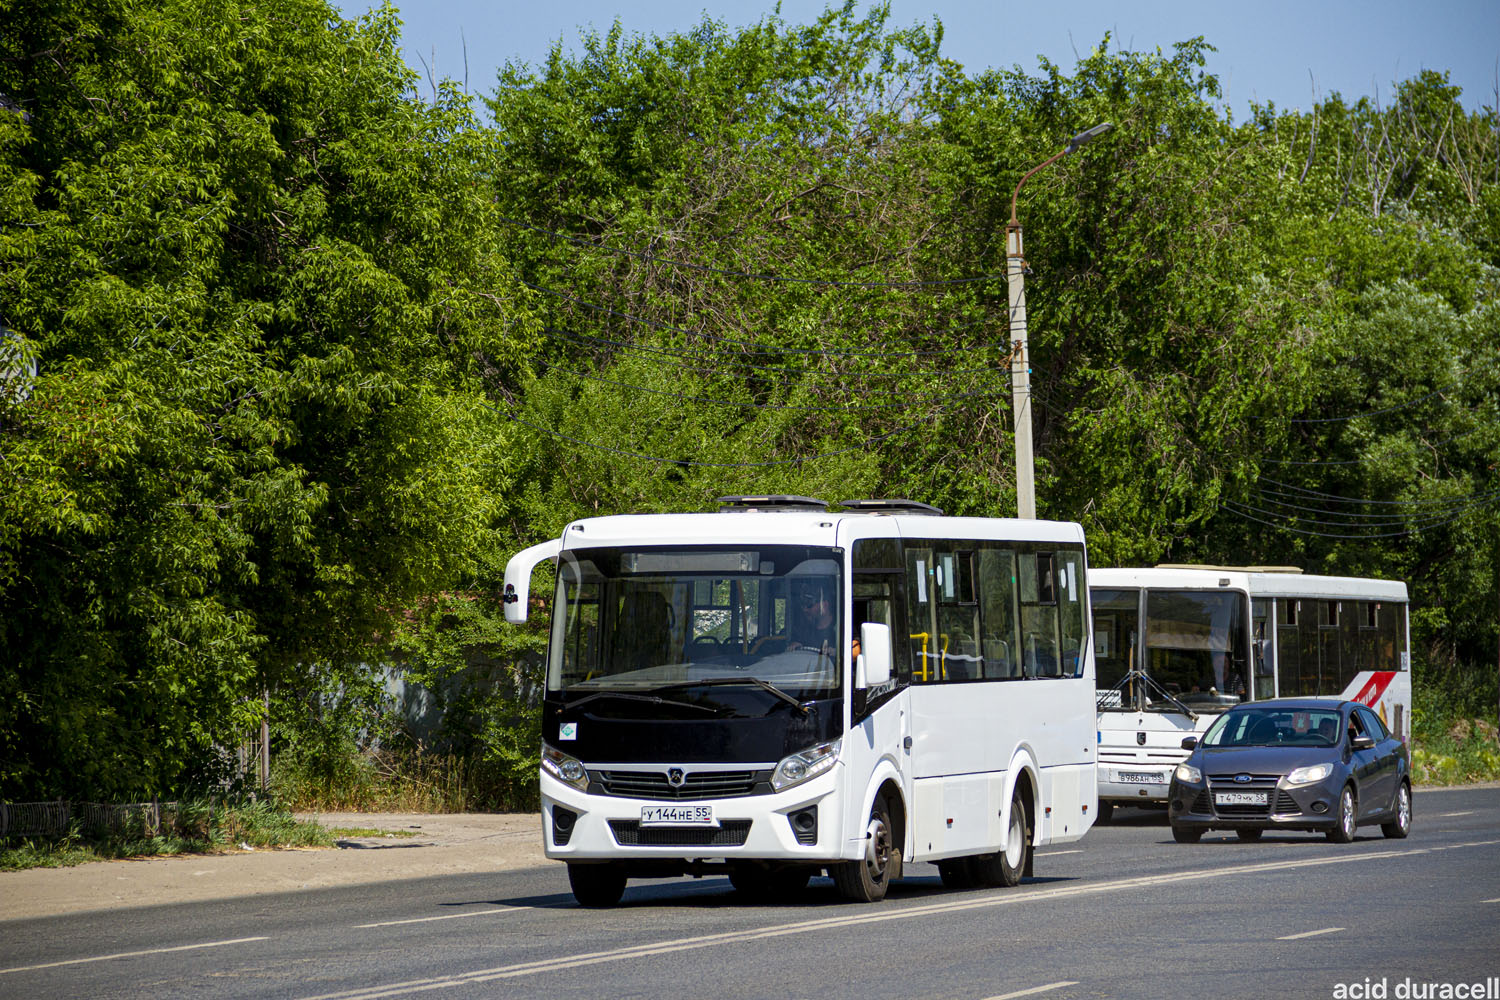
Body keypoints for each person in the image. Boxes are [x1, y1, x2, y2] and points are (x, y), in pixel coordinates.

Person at [789, 579, 836, 653]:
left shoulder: (841, 628)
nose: (805, 610)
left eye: (809, 605)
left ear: (825, 605)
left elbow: (855, 650)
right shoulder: (802, 630)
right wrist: (794, 646)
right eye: (803, 605)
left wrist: (837, 652)